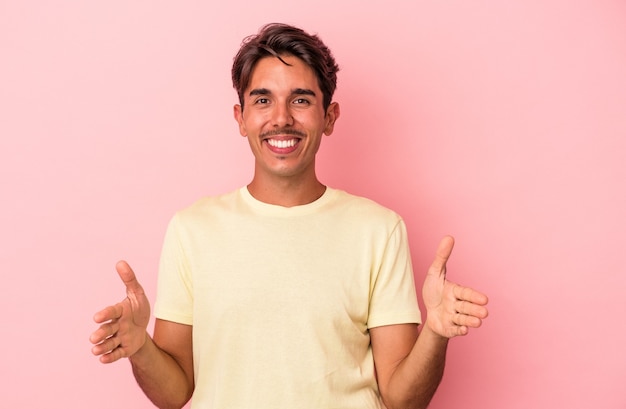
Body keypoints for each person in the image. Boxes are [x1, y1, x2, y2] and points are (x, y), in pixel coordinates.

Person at [90, 23, 489, 409]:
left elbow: (403, 400)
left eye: (300, 100)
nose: (281, 118)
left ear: (329, 117)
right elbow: (174, 393)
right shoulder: (192, 229)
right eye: (263, 100)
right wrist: (141, 347)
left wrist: (435, 334)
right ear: (240, 117)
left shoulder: (379, 230)